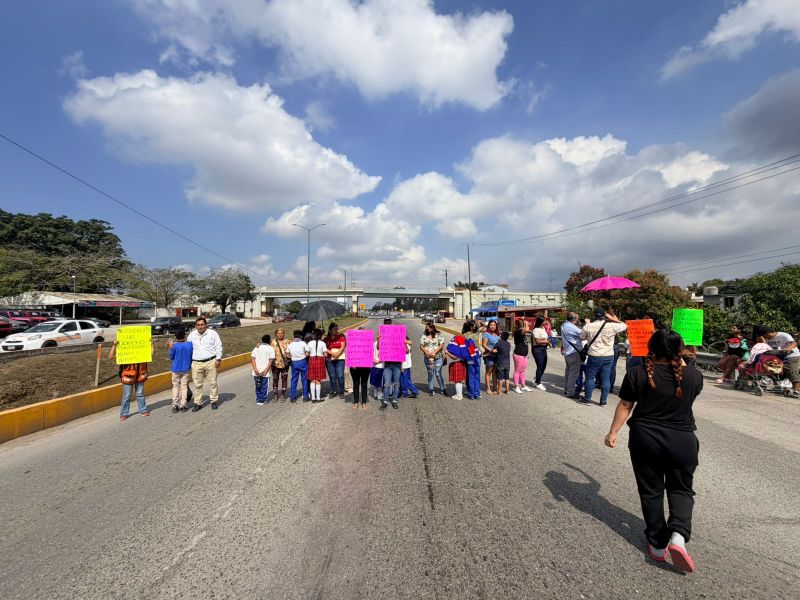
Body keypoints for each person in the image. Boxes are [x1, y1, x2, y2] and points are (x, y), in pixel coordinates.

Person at [604, 329, 704, 573]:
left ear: (650, 347)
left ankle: (658, 545)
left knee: (651, 491)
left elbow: (625, 404)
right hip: (682, 441)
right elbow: (683, 382)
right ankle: (678, 536)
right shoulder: (694, 375)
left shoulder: (637, 373)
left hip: (645, 439)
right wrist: (682, 357)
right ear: (680, 349)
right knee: (681, 488)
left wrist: (613, 432)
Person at [580, 308, 627, 407]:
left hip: (594, 355)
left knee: (590, 377)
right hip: (608, 355)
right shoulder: (612, 325)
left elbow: (582, 337)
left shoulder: (588, 326)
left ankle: (587, 399)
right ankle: (603, 401)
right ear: (604, 316)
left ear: (594, 315)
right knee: (606, 378)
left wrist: (587, 325)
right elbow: (624, 325)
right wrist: (613, 319)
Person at [109, 339, 153, 420]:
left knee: (140, 394)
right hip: (128, 377)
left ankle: (143, 410)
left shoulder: (142, 351)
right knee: (127, 395)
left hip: (140, 375)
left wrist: (152, 344)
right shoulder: (124, 351)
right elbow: (111, 357)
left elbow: (151, 354)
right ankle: (124, 413)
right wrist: (114, 345)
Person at [187, 317, 223, 411]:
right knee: (197, 384)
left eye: (202, 324)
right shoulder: (192, 335)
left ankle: (214, 401)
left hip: (210, 362)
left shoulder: (213, 333)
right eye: (198, 325)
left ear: (206, 325)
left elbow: (218, 346)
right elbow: (187, 348)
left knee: (213, 383)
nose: (200, 327)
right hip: (196, 363)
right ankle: (198, 403)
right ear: (196, 326)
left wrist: (218, 359)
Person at [764, 328, 800, 397]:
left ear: (768, 333)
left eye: (765, 335)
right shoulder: (768, 339)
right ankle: (777, 387)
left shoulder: (784, 335)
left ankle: (796, 391)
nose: (765, 337)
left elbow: (794, 343)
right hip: (779, 357)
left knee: (792, 373)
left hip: (791, 356)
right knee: (773, 371)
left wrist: (787, 349)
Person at [445, 328, 476, 400]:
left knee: (457, 380)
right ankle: (459, 394)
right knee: (459, 380)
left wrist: (447, 352)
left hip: (456, 363)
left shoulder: (456, 346)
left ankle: (459, 395)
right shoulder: (463, 345)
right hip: (461, 363)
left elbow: (454, 357)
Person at [168, 328, 193, 412]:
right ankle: (183, 405)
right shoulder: (189, 345)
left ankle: (175, 405)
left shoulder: (174, 346)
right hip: (186, 368)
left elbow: (171, 357)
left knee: (175, 386)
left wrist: (170, 348)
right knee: (184, 386)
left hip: (176, 369)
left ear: (175, 337)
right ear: (185, 335)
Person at [419, 322, 446, 396]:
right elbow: (421, 346)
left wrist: (434, 352)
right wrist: (426, 352)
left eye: (427, 327)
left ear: (432, 328)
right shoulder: (424, 335)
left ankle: (443, 388)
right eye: (426, 327)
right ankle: (431, 389)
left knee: (437, 373)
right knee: (430, 372)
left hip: (438, 357)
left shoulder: (438, 334)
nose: (426, 329)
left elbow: (441, 345)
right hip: (428, 358)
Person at [561, 312, 583, 399]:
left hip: (568, 352)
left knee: (569, 372)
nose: (578, 320)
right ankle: (570, 393)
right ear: (574, 319)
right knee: (573, 373)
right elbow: (582, 334)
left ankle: (567, 390)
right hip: (573, 352)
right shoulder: (570, 326)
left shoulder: (564, 324)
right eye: (577, 319)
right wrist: (587, 325)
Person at [380, 318, 401, 410]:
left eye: (389, 323)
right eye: (386, 323)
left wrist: (404, 343)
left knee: (396, 384)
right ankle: (385, 401)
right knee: (387, 384)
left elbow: (407, 350)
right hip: (387, 365)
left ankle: (395, 401)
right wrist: (379, 340)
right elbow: (378, 348)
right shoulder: (382, 334)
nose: (387, 325)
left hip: (397, 364)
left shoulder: (398, 333)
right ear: (384, 324)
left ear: (391, 323)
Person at [324, 323, 347, 399]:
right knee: (332, 376)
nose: (336, 330)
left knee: (340, 376)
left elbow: (343, 346)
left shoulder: (341, 337)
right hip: (329, 360)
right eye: (334, 329)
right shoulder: (326, 339)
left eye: (337, 329)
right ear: (330, 330)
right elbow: (324, 348)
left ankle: (341, 392)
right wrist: (332, 353)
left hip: (340, 359)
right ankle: (333, 391)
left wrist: (337, 355)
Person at [251, 334, 275, 405]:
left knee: (258, 385)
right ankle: (262, 400)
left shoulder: (256, 348)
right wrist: (266, 370)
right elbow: (271, 360)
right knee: (264, 386)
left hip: (256, 371)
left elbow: (253, 359)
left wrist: (255, 369)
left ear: (262, 340)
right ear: (269, 340)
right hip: (265, 372)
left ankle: (258, 399)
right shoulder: (270, 348)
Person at [288, 329, 310, 402]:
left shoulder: (290, 344)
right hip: (303, 361)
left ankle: (292, 397)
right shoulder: (303, 343)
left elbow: (287, 354)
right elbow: (307, 353)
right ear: (301, 336)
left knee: (294, 379)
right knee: (304, 379)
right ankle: (305, 396)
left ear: (294, 336)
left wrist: (292, 357)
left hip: (294, 362)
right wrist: (303, 356)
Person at [307, 328, 328, 403]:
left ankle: (313, 398)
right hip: (320, 360)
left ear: (314, 335)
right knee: (318, 380)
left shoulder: (309, 343)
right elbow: (325, 354)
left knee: (312, 379)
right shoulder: (322, 343)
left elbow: (307, 353)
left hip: (312, 360)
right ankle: (318, 398)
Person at [271, 328, 291, 401]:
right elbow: (264, 344)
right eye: (279, 333)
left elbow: (294, 346)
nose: (280, 334)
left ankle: (283, 394)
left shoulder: (287, 341)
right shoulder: (272, 342)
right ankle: (275, 395)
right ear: (276, 334)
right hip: (275, 364)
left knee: (284, 379)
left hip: (285, 365)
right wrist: (259, 344)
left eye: (282, 333)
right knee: (275, 379)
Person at [481, 320, 501, 394]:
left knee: (495, 372)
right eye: (491, 325)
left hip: (497, 356)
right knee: (489, 372)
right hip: (489, 356)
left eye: (494, 325)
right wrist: (491, 350)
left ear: (496, 326)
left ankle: (494, 388)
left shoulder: (498, 334)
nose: (492, 326)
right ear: (489, 326)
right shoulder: (486, 334)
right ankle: (488, 388)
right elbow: (484, 344)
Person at [464, 321, 482, 399]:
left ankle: (472, 394)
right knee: (476, 375)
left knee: (471, 375)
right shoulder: (475, 333)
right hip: (476, 356)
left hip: (471, 356)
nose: (476, 326)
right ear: (471, 327)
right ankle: (476, 393)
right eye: (474, 325)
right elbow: (483, 327)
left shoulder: (465, 335)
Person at [530, 316, 549, 391]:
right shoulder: (536, 330)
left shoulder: (543, 328)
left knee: (544, 366)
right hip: (537, 349)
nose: (545, 322)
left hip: (543, 348)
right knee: (540, 366)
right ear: (540, 322)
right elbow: (537, 341)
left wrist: (545, 341)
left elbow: (544, 337)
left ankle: (537, 381)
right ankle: (538, 383)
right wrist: (546, 341)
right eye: (544, 321)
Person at [512, 319, 531, 393]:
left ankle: (523, 386)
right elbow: (527, 330)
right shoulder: (518, 331)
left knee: (523, 371)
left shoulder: (521, 331)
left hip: (524, 354)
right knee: (517, 371)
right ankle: (516, 387)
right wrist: (526, 324)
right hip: (519, 354)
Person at [370, 337, 385, 402]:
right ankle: (379, 395)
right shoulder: (384, 344)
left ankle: (376, 394)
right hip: (380, 365)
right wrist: (377, 361)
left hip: (374, 364)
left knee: (375, 380)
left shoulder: (374, 343)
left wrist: (374, 360)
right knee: (379, 381)